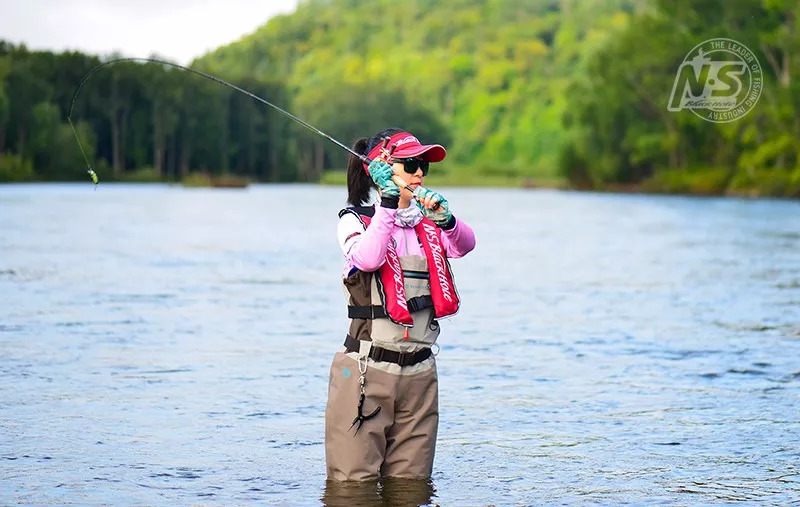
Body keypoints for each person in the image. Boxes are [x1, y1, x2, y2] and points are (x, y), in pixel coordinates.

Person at [325, 128, 476, 482]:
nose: (420, 172)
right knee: (352, 490)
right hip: (366, 372)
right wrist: (390, 206)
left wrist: (447, 220)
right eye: (410, 164)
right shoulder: (355, 220)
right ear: (380, 170)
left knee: (412, 490)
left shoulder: (430, 224)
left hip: (420, 376)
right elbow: (368, 258)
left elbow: (466, 244)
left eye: (423, 164)